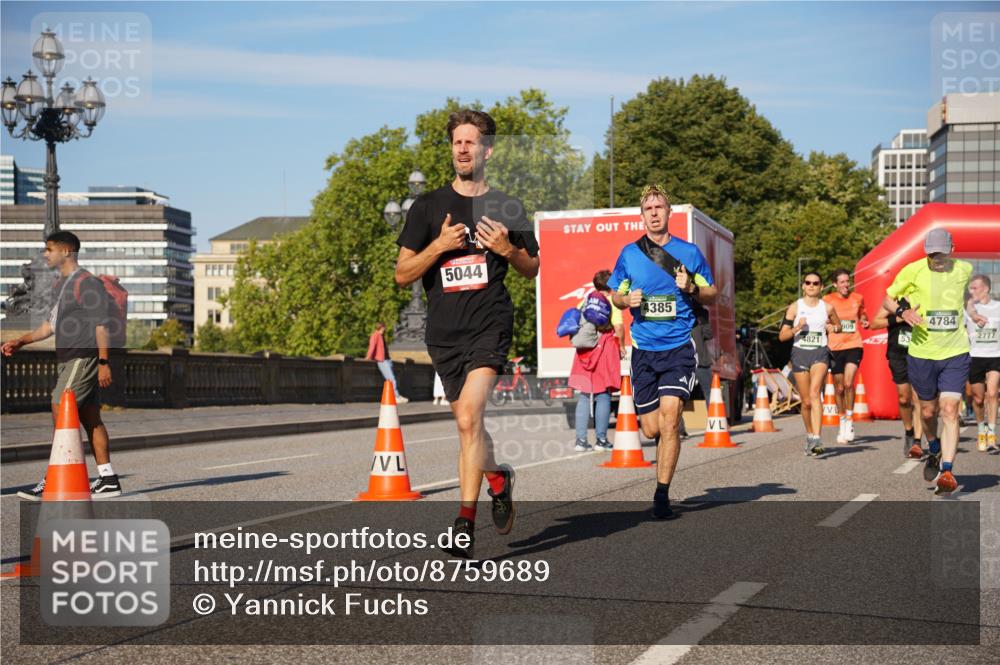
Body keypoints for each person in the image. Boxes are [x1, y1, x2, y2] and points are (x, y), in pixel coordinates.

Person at [394, 109, 539, 557]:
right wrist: (438, 245)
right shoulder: (427, 207)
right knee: (470, 425)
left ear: (487, 150)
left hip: (489, 326)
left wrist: (508, 249)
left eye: (470, 141)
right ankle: (498, 479)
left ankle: (464, 524)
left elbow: (533, 267)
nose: (462, 148)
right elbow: (402, 274)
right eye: (457, 142)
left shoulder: (507, 206)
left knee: (466, 419)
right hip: (443, 334)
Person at [608, 184, 717, 519]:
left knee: (670, 422)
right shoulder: (630, 254)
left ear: (669, 212)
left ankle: (661, 494)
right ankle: (666, 447)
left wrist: (692, 287)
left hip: (678, 347)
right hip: (644, 349)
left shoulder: (689, 253)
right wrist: (626, 300)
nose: (654, 213)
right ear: (642, 215)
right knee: (651, 429)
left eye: (659, 207)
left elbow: (712, 293)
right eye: (648, 208)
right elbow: (615, 295)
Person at [3, 231, 121, 500]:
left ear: (66, 251)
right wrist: (21, 340)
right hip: (69, 358)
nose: (45, 254)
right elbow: (50, 325)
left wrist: (104, 362)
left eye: (49, 249)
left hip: (82, 357)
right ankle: (108, 479)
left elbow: (102, 325)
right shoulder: (63, 285)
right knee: (91, 420)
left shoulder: (87, 283)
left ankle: (55, 480)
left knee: (60, 408)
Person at [883, 228, 973, 494]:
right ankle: (933, 448)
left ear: (952, 249)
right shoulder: (912, 271)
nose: (937, 259)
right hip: (922, 353)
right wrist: (903, 311)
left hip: (955, 352)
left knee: (950, 409)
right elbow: (887, 299)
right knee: (927, 412)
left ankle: (947, 470)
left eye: (941, 253)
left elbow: (965, 298)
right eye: (932, 254)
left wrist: (973, 313)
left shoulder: (964, 269)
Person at [778, 272, 842, 456]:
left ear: (821, 287)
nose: (811, 285)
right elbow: (782, 336)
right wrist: (797, 328)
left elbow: (839, 326)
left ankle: (817, 438)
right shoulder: (795, 307)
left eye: (815, 283)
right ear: (803, 286)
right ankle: (809, 435)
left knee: (815, 393)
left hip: (820, 353)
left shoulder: (827, 307)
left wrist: (833, 328)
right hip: (799, 353)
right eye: (808, 282)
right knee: (806, 402)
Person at [569, 270, 621, 452]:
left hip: (584, 351)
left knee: (584, 395)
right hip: (603, 349)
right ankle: (601, 440)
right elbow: (619, 328)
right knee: (603, 394)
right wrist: (622, 346)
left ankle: (580, 441)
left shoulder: (585, 301)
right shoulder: (612, 303)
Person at [870, 298, 924, 458]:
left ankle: (917, 441)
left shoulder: (923, 296)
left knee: (919, 398)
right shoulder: (894, 300)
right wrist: (900, 317)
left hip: (921, 353)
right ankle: (909, 431)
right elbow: (875, 323)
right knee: (904, 398)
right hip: (898, 354)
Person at [823, 268, 869, 444]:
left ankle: (850, 420)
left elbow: (862, 313)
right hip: (835, 347)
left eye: (847, 281)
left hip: (854, 345)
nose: (846, 285)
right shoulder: (827, 300)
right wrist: (827, 326)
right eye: (842, 282)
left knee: (849, 383)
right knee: (840, 388)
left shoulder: (857, 298)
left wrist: (863, 320)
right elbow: (822, 320)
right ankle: (842, 420)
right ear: (835, 284)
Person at [965, 274, 1000, 452]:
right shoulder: (968, 309)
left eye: (975, 288)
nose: (971, 291)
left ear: (986, 288)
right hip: (975, 356)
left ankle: (992, 435)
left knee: (992, 393)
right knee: (978, 399)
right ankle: (981, 431)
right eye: (970, 288)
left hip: (996, 355)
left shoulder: (998, 307)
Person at [365, 322, 408, 404]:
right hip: (382, 360)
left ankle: (396, 396)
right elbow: (372, 347)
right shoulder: (375, 335)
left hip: (387, 360)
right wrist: (368, 357)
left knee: (391, 378)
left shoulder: (381, 336)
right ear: (382, 327)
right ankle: (396, 396)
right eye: (384, 327)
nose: (385, 329)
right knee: (391, 378)